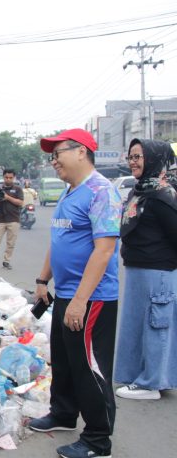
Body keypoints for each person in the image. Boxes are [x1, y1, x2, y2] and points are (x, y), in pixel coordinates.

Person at [28, 129, 122, 458]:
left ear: (81, 151)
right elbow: (59, 243)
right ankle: (64, 413)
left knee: (90, 368)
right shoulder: (70, 193)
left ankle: (98, 440)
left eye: (58, 154)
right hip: (67, 293)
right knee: (65, 361)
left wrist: (81, 300)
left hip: (92, 298)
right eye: (51, 156)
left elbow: (104, 252)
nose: (54, 161)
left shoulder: (102, 192)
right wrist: (43, 281)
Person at [114, 139, 177, 400]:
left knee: (156, 326)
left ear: (154, 159)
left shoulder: (163, 195)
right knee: (138, 326)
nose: (133, 161)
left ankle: (150, 383)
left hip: (157, 272)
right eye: (131, 156)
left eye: (139, 156)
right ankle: (144, 376)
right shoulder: (141, 191)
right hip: (139, 269)